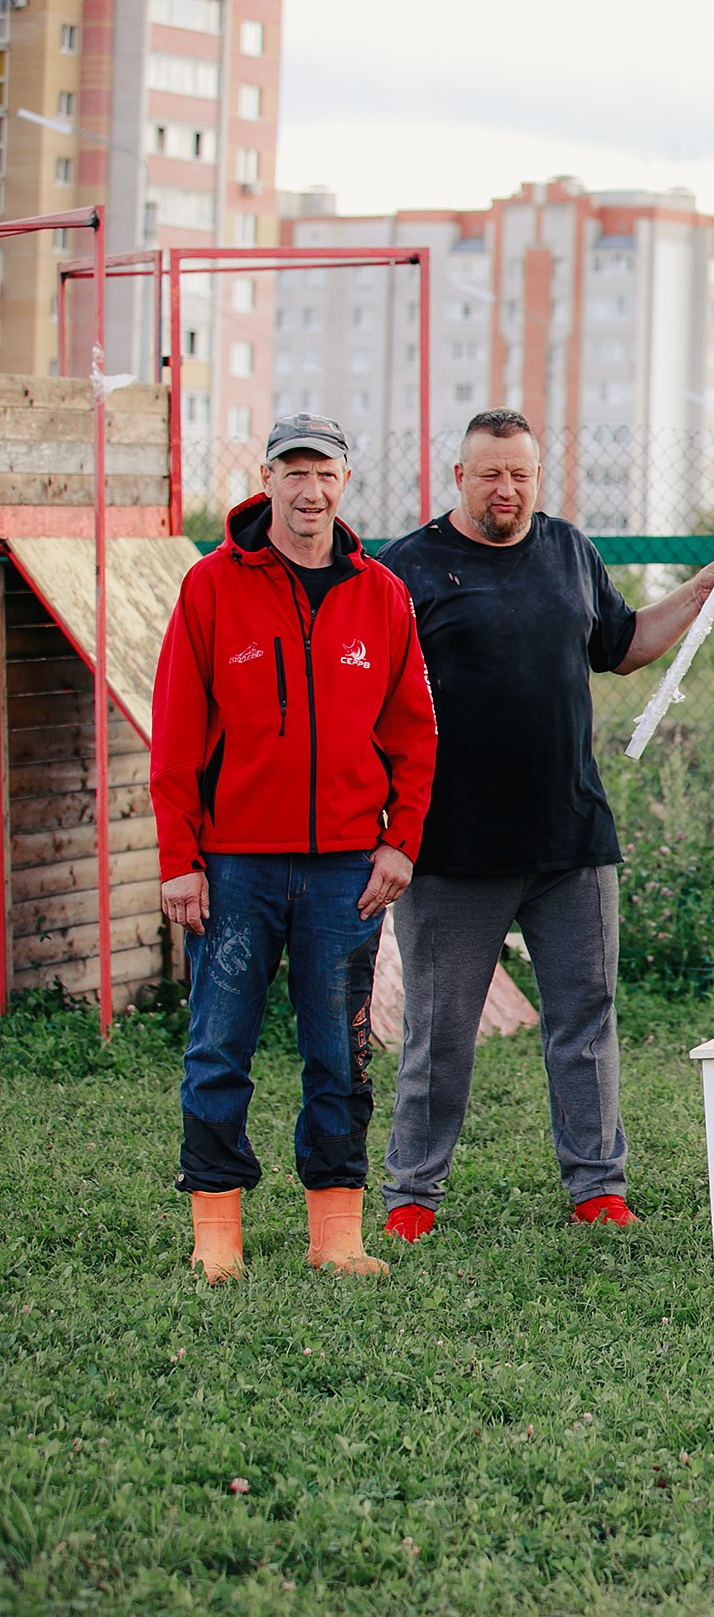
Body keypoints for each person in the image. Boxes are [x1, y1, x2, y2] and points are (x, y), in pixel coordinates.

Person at [374, 408, 714, 1240]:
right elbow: (375, 702)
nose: (507, 488)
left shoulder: (570, 550)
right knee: (439, 1034)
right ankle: (410, 1196)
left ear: (539, 478)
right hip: (451, 850)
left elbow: (622, 644)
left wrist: (698, 589)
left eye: (522, 473)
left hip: (570, 839)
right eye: (490, 473)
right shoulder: (408, 567)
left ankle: (597, 1186)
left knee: (586, 1021)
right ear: (458, 477)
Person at [151, 413, 439, 1281]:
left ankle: (336, 1232)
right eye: (293, 471)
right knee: (218, 1045)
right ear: (267, 478)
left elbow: (414, 734)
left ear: (344, 482)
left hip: (346, 870)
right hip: (234, 866)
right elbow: (176, 737)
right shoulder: (211, 586)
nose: (310, 491)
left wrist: (399, 845)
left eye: (326, 474)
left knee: (339, 1050)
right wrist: (178, 858)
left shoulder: (380, 593)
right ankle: (216, 1231)